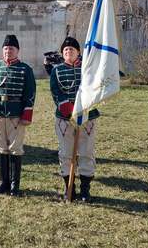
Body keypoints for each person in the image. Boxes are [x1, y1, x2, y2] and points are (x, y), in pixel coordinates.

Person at [0, 34, 36, 196]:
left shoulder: (25, 69)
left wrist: (26, 114)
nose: (8, 51)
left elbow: (30, 92)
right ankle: (3, 182)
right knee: (0, 148)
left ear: (17, 51)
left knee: (15, 148)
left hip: (16, 114)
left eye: (11, 48)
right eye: (5, 48)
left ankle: (14, 184)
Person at [47, 37, 99, 202]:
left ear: (78, 52)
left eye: (72, 49)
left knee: (86, 152)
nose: (68, 52)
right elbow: (56, 91)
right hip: (64, 118)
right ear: (62, 54)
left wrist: (83, 109)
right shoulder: (56, 70)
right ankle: (69, 188)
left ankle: (85, 190)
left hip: (87, 116)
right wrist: (69, 109)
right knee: (65, 153)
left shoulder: (88, 69)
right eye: (65, 50)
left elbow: (96, 89)